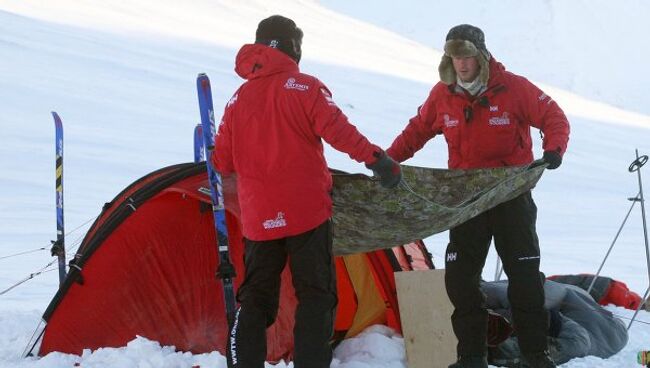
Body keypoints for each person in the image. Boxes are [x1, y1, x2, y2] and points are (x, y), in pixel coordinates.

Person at [211, 15, 402, 368]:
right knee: (315, 296)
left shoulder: (237, 100)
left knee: (255, 298)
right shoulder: (304, 87)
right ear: (294, 48)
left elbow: (221, 162)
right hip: (306, 214)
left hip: (258, 220)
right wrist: (378, 161)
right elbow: (340, 132)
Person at [386, 24, 570, 368]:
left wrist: (554, 149)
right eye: (455, 57)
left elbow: (553, 116)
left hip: (511, 197)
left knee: (525, 278)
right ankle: (471, 357)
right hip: (467, 202)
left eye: (467, 55)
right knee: (460, 280)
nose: (461, 64)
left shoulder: (513, 87)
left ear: (481, 55)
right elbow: (416, 131)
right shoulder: (442, 94)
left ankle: (535, 355)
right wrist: (388, 161)